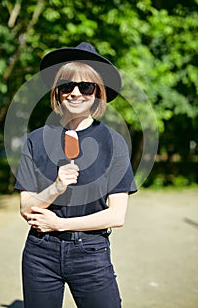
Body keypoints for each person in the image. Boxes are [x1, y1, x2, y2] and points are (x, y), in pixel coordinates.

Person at [15, 42, 137, 308]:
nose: (76, 93)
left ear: (98, 93)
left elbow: (117, 216)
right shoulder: (36, 140)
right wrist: (56, 186)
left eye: (86, 86)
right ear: (57, 93)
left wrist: (60, 224)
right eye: (66, 86)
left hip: (91, 253)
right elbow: (26, 208)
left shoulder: (114, 143)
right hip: (40, 253)